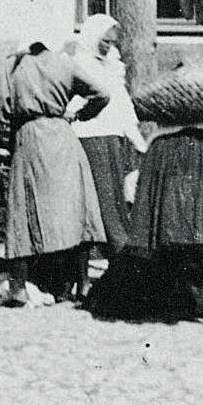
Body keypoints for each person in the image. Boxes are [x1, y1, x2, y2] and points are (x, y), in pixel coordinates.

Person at [95, 63, 203, 322]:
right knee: (201, 236)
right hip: (201, 166)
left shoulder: (162, 136)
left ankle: (168, 300)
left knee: (166, 234)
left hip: (167, 166)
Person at [0, 34, 106, 308]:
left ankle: (21, 285)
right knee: (76, 210)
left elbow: (0, 113)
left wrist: (4, 142)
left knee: (24, 210)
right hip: (62, 136)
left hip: (29, 138)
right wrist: (77, 115)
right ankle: (83, 283)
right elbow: (102, 93)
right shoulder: (64, 64)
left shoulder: (13, 67)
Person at [63, 15, 141, 253]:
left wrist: (135, 138)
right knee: (100, 199)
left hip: (112, 138)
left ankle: (119, 251)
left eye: (111, 42)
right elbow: (74, 104)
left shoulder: (111, 65)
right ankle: (113, 250)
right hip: (90, 137)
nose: (108, 46)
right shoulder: (80, 64)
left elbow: (122, 105)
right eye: (104, 41)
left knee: (115, 198)